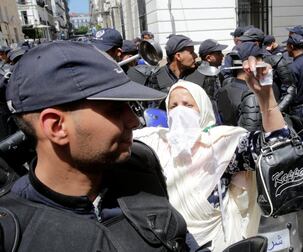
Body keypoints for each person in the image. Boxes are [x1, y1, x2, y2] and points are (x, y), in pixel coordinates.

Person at [0, 41, 199, 251]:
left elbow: (181, 238)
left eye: (130, 106)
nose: (134, 121)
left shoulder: (140, 165)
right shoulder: (15, 232)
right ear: (56, 126)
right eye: (114, 109)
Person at [133, 55, 289, 250]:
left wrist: (266, 97)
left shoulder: (222, 144)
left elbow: (278, 145)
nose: (180, 112)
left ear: (204, 109)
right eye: (173, 106)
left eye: (188, 105)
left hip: (215, 243)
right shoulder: (156, 143)